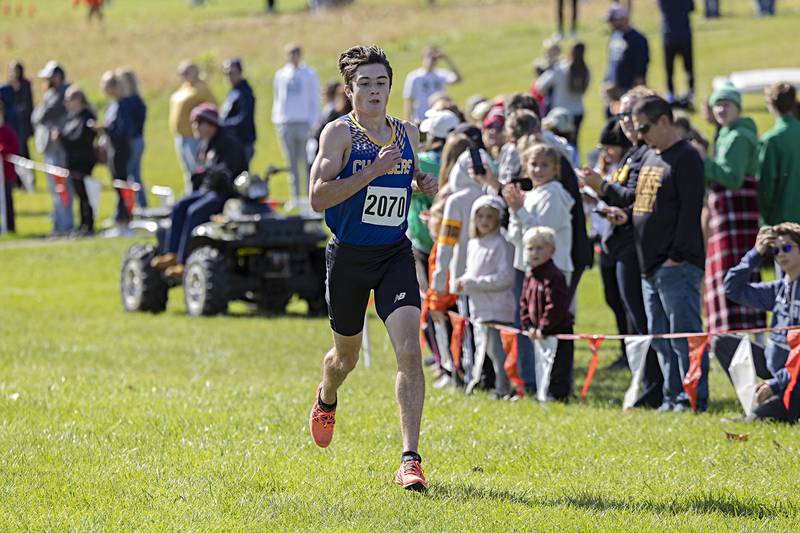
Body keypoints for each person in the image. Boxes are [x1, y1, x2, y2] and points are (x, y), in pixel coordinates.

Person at [305, 45, 438, 491]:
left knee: (409, 352)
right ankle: (327, 395)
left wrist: (421, 184)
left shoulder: (408, 134)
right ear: (349, 90)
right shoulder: (338, 135)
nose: (375, 91)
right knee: (346, 358)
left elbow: (408, 178)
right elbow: (318, 198)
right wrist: (371, 172)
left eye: (381, 82)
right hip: (348, 258)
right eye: (365, 83)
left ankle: (410, 459)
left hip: (394, 255)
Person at [579, 86, 663, 406]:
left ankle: (655, 385)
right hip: (621, 241)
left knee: (642, 319)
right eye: (621, 115)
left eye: (629, 115)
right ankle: (646, 381)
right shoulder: (634, 151)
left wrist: (603, 188)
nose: (624, 122)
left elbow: (639, 199)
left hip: (636, 245)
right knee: (632, 317)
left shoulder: (646, 153)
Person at [628, 95, 707, 412]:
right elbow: (641, 201)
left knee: (683, 337)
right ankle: (673, 397)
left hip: (676, 266)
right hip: (650, 267)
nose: (639, 135)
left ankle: (692, 399)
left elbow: (691, 213)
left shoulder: (686, 157)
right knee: (660, 338)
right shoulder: (649, 154)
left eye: (644, 127)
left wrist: (676, 256)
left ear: (664, 120)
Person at [151, 104, 248, 277]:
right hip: (208, 191)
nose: (194, 128)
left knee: (194, 211)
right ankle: (171, 253)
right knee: (179, 206)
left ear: (209, 124)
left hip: (224, 194)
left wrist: (208, 171)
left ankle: (183, 262)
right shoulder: (207, 144)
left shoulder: (228, 142)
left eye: (197, 124)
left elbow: (228, 173)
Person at [700, 81, 765, 334]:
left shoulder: (738, 136)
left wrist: (703, 160)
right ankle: (734, 331)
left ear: (737, 107)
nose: (721, 109)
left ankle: (738, 330)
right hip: (728, 216)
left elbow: (732, 178)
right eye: (717, 104)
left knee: (734, 270)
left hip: (736, 214)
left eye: (726, 104)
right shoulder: (727, 133)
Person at [722, 223, 800, 422]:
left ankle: (772, 402)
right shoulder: (777, 289)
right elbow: (732, 288)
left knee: (755, 419)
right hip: (773, 366)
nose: (781, 253)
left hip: (795, 377)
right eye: (775, 250)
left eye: (788, 247)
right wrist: (756, 253)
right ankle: (756, 398)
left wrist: (775, 383)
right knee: (723, 343)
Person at [455, 195, 515, 398]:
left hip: (497, 308)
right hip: (479, 308)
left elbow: (506, 278)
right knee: (486, 350)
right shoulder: (474, 244)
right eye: (480, 216)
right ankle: (483, 383)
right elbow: (472, 273)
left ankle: (504, 389)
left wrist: (474, 284)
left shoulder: (501, 244)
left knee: (499, 353)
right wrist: (462, 282)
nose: (484, 220)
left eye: (489, 216)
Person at [520, 226, 575, 401]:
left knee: (558, 369)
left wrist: (544, 327)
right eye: (530, 248)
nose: (534, 253)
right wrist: (528, 325)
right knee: (542, 365)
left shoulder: (554, 276)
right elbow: (524, 303)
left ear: (552, 251)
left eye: (540, 248)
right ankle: (543, 394)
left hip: (558, 333)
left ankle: (558, 398)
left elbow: (556, 306)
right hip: (539, 333)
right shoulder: (530, 276)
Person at [272, 43, 320, 211]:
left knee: (306, 162)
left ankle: (309, 198)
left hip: (304, 123)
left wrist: (313, 122)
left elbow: (315, 99)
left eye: (295, 53)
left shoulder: (309, 74)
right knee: (291, 163)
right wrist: (278, 120)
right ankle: (295, 197)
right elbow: (278, 98)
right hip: (286, 122)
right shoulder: (281, 75)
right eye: (290, 53)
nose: (293, 56)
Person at [31, 60, 72, 235]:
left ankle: (65, 225)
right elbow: (35, 116)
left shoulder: (63, 94)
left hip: (58, 149)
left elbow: (42, 115)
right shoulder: (52, 94)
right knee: (55, 188)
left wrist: (40, 112)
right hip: (49, 148)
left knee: (61, 187)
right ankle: (59, 224)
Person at [169, 61, 216, 193]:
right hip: (181, 136)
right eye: (181, 73)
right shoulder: (184, 88)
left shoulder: (201, 89)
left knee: (198, 168)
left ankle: (201, 193)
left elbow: (212, 109)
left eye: (186, 72)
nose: (183, 75)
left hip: (194, 136)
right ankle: (190, 193)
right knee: (188, 170)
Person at [55, 87, 97, 235]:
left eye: (69, 99)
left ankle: (88, 225)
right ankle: (83, 224)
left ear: (78, 100)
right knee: (80, 195)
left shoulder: (87, 117)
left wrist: (61, 138)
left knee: (85, 195)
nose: (66, 103)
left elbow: (79, 139)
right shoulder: (74, 116)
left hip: (83, 162)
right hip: (73, 162)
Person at [758, 82, 800, 226]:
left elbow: (766, 187)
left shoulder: (772, 140)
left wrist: (765, 218)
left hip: (782, 223)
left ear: (771, 104)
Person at [534, 42, 589, 147]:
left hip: (558, 114)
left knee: (556, 144)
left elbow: (540, 86)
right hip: (578, 111)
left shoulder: (560, 69)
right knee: (573, 144)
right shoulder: (586, 70)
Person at [99, 70, 132, 227]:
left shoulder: (123, 105)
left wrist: (105, 129)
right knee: (116, 183)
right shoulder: (113, 105)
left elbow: (121, 130)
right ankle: (120, 214)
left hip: (121, 149)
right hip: (112, 148)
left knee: (122, 182)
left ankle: (125, 216)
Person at [603, 4, 649, 112]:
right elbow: (613, 61)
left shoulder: (638, 39)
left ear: (623, 19)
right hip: (613, 88)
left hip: (629, 87)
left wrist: (637, 89)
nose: (611, 24)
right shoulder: (616, 36)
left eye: (613, 21)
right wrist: (608, 80)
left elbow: (641, 64)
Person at [403, 45, 462, 124]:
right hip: (421, 118)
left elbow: (458, 79)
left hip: (438, 118)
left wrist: (446, 59)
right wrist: (409, 120)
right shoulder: (414, 77)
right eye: (429, 57)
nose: (431, 61)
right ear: (423, 58)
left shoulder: (441, 75)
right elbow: (409, 100)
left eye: (434, 59)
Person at [118, 68, 147, 208]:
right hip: (138, 140)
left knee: (132, 175)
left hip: (132, 141)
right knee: (135, 174)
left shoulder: (128, 102)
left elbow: (128, 125)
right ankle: (140, 205)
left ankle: (137, 206)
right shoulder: (138, 100)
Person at [658, 0, 695, 105]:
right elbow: (691, 8)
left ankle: (671, 93)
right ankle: (690, 92)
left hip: (669, 35)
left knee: (670, 68)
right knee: (688, 66)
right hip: (684, 35)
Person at [220, 57, 256, 165]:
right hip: (232, 142)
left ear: (240, 72)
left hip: (242, 142)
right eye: (226, 74)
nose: (229, 77)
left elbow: (243, 118)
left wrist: (222, 125)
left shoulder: (245, 93)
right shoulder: (234, 91)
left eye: (231, 73)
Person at [6, 60, 33, 165]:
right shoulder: (8, 87)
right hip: (11, 125)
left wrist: (15, 112)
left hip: (22, 125)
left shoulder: (25, 85)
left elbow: (28, 105)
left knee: (23, 151)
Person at [0, 100, 20, 232]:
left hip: (6, 174)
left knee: (7, 201)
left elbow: (15, 147)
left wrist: (2, 150)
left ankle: (10, 226)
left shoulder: (6, 130)